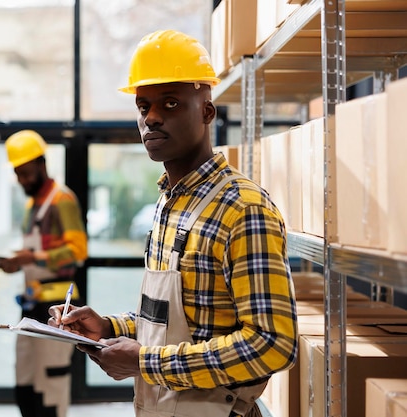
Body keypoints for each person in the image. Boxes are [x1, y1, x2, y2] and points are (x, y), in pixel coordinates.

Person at [49, 30, 298, 417]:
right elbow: (168, 323)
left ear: (207, 112)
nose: (151, 117)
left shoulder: (243, 210)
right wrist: (110, 328)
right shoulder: (169, 202)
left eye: (170, 103)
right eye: (143, 105)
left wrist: (146, 363)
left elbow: (273, 344)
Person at [0, 130, 88, 417]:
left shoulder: (62, 200)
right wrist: (17, 261)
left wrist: (32, 257)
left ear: (42, 164)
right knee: (26, 381)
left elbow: (78, 250)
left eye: (26, 173)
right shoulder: (30, 206)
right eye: (18, 174)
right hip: (30, 304)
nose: (23, 180)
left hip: (57, 309)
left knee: (50, 382)